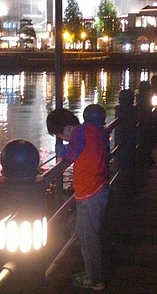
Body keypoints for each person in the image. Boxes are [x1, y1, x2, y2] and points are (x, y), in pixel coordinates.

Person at [46, 108, 109, 291]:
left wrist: (60, 150)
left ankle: (95, 279)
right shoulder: (93, 129)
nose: (63, 139)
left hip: (91, 193)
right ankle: (91, 272)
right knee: (83, 235)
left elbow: (72, 154)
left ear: (66, 130)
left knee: (88, 239)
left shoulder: (79, 133)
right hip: (94, 190)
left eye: (60, 136)